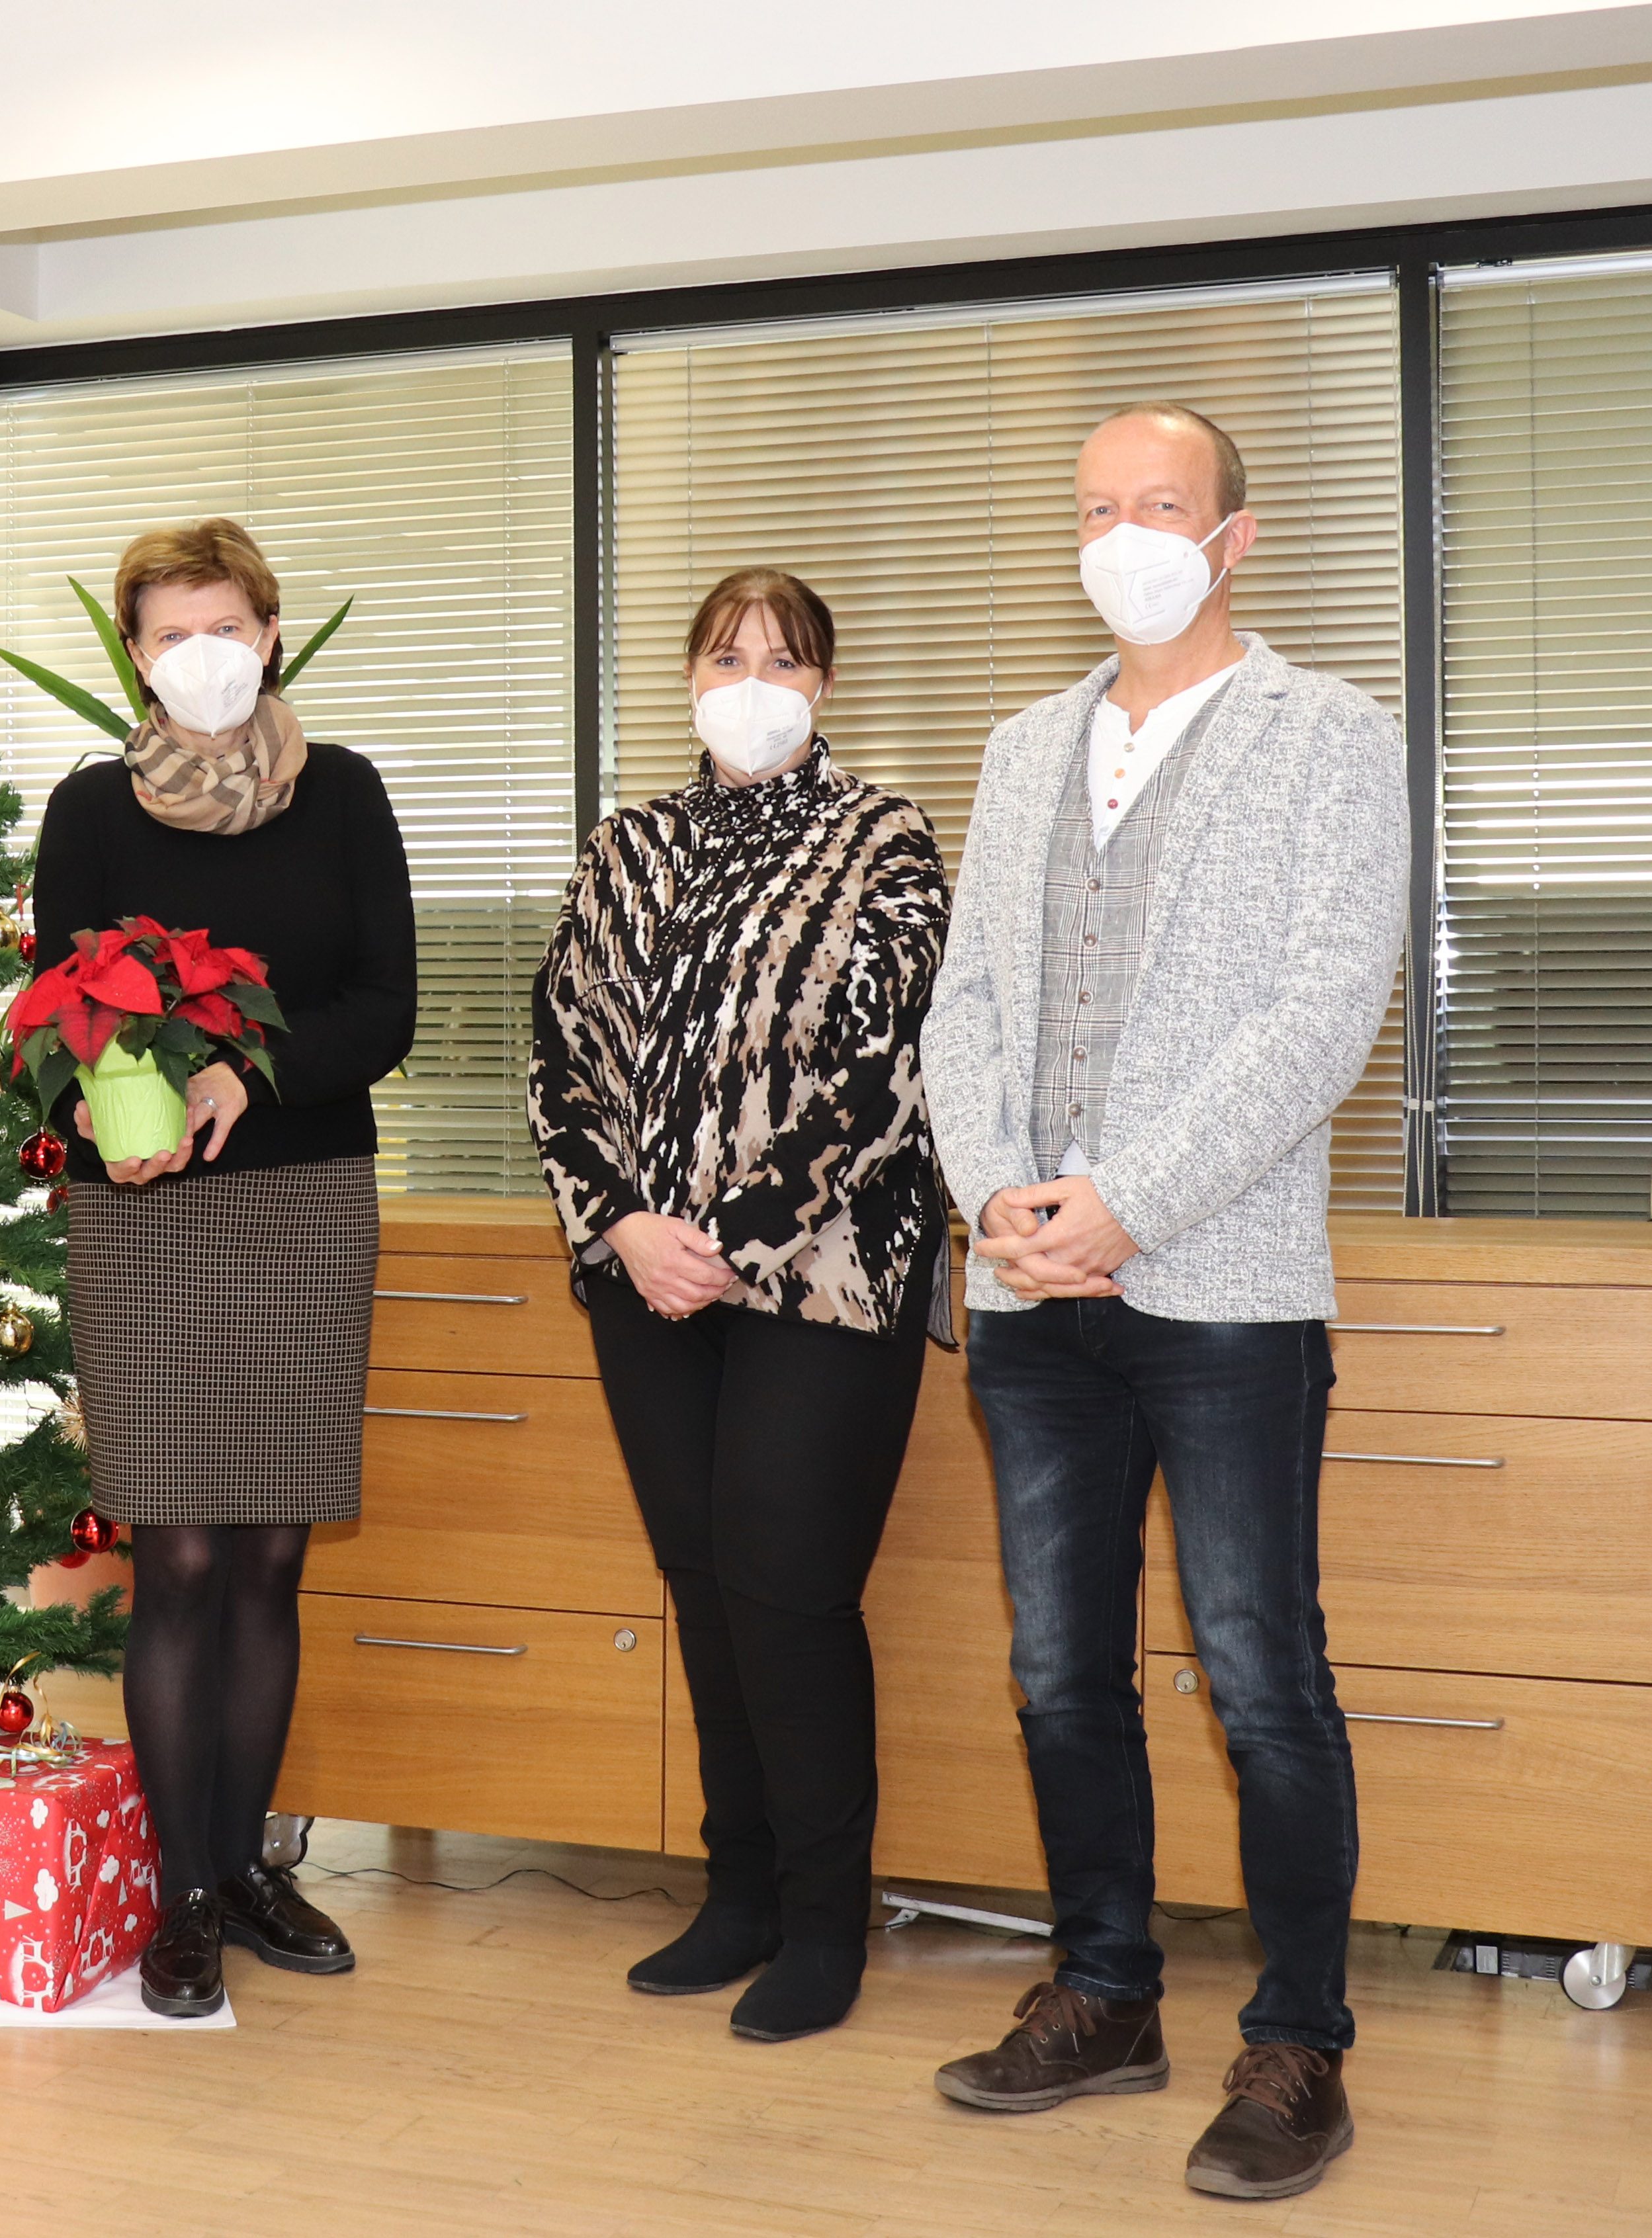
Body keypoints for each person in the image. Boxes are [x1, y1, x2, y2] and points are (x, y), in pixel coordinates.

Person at [922, 404, 1407, 2202]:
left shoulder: (1326, 738)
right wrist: (1002, 1197)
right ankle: (1104, 1995)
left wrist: (1127, 1203)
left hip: (1222, 1290)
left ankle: (1297, 2047)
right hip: (1030, 1290)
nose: (1126, 533)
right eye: (1098, 508)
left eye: (1162, 506)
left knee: (1260, 1670)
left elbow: (1320, 1016)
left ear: (1233, 536)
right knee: (1062, 1674)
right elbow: (963, 1000)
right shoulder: (1022, 745)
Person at [528, 568, 949, 2044]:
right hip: (643, 1273)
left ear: (822, 684)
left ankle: (828, 1919)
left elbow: (889, 1067)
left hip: (825, 1280)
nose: (752, 679)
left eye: (782, 658)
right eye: (725, 655)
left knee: (786, 1586)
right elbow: (560, 1055)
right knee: (705, 1582)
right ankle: (741, 1890)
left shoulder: (883, 838)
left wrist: (730, 1234)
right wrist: (630, 1226)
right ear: (688, 677)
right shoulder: (623, 845)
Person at [31, 517, 417, 2019]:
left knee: (269, 1553)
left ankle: (246, 1864)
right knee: (177, 1555)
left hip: (301, 1192)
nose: (196, 654)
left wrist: (246, 1077)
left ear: (268, 632)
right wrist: (102, 1113)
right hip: (139, 1212)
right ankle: (178, 1893)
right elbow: (56, 1009)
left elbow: (381, 1004)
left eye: (221, 625)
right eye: (164, 632)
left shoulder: (348, 795)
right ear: (132, 653)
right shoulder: (85, 808)